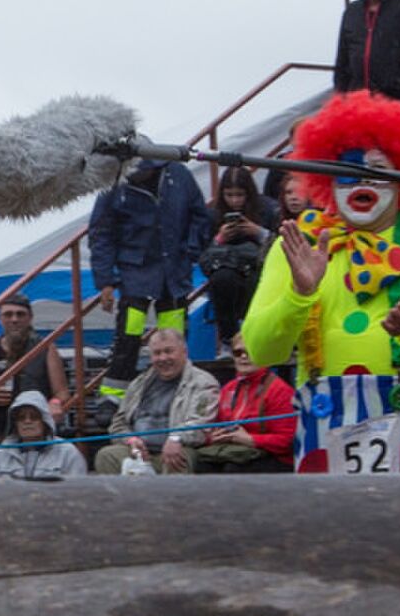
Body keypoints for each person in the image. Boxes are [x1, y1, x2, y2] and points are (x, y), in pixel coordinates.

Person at [243, 91, 400, 473]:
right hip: (328, 432)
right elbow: (262, 350)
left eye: (376, 168)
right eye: (347, 169)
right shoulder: (298, 243)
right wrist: (298, 295)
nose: (361, 180)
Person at [88, 152, 210, 402]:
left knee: (173, 338)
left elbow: (200, 215)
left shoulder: (179, 175)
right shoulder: (113, 183)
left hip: (173, 273)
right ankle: (114, 397)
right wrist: (106, 281)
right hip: (135, 274)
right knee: (128, 337)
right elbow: (101, 234)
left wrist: (190, 251)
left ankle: (175, 391)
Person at [90, 328, 219, 475]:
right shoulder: (138, 384)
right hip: (139, 453)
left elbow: (202, 423)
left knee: (177, 458)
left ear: (184, 352)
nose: (163, 358)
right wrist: (130, 440)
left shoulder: (203, 382)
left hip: (178, 448)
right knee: (106, 455)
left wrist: (176, 438)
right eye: (157, 353)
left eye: (169, 351)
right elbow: (118, 423)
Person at [0, 296, 68, 466]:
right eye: (8, 315)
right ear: (0, 319)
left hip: (31, 439)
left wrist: (55, 403)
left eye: (20, 314)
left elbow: (61, 392)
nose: (14, 320)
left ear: (30, 318)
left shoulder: (45, 348)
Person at [186, 336, 297, 474]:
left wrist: (249, 439)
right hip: (234, 452)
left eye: (250, 351)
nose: (243, 356)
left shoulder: (280, 391)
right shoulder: (228, 388)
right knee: (201, 464)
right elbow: (214, 426)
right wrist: (212, 437)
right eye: (238, 353)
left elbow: (287, 441)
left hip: (273, 457)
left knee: (233, 470)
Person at [200, 166, 272, 355]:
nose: (234, 201)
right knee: (222, 280)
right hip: (227, 274)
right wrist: (219, 239)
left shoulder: (267, 209)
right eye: (229, 195)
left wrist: (258, 233)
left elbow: (279, 246)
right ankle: (228, 340)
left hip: (259, 270)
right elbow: (203, 258)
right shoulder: (213, 215)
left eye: (240, 195)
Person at [0, 391, 89, 480]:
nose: (27, 421)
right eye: (21, 417)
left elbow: (79, 490)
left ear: (45, 421)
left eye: (34, 417)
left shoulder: (67, 452)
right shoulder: (0, 455)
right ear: (14, 423)